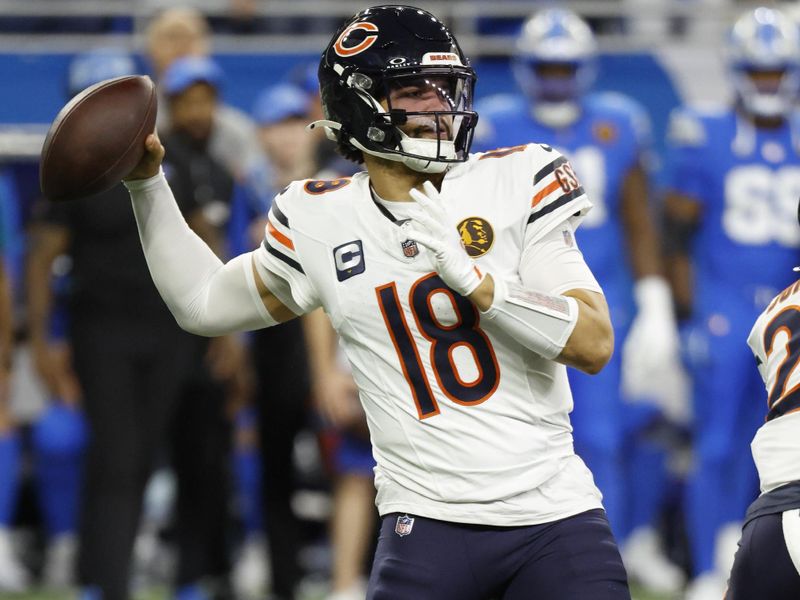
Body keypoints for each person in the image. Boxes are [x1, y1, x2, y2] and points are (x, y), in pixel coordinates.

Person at [122, 6, 628, 600]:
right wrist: (146, 185)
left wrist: (478, 283)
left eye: (447, 88)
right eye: (415, 91)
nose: (439, 106)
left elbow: (593, 343)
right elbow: (203, 304)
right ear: (361, 105)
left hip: (554, 518)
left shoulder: (518, 179)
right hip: (428, 528)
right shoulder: (319, 215)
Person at [473, 8, 684, 594]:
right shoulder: (497, 123)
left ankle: (606, 551)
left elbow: (641, 218)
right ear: (525, 68)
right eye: (547, 67)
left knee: (602, 434)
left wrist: (655, 299)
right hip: (516, 295)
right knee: (508, 430)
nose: (558, 80)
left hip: (595, 294)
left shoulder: (618, 122)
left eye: (567, 68)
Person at [27, 49, 233, 600]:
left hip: (169, 330)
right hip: (101, 330)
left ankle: (138, 573)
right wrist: (47, 340)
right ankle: (104, 580)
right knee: (116, 454)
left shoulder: (175, 162)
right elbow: (42, 257)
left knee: (153, 450)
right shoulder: (73, 167)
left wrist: (226, 325)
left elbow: (202, 242)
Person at [662, 7, 800, 599]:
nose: (767, 85)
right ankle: (705, 566)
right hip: (724, 306)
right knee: (716, 442)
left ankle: (760, 552)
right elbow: (676, 231)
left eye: (776, 74)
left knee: (780, 442)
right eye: (759, 74)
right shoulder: (705, 130)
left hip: (789, 305)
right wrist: (682, 315)